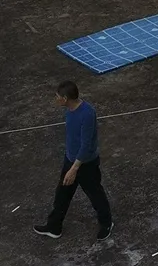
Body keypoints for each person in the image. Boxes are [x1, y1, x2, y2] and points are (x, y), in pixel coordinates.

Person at [33, 81, 113, 241]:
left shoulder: (87, 114)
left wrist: (74, 168)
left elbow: (86, 145)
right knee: (62, 194)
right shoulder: (69, 110)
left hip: (85, 164)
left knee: (95, 194)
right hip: (70, 160)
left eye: (57, 96)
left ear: (65, 98)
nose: (55, 99)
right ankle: (54, 227)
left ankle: (106, 223)